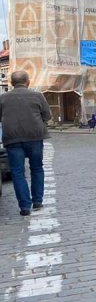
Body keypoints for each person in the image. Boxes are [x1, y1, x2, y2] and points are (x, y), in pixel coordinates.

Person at [0, 70, 51, 216]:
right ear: (28, 82)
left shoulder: (3, 98)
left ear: (11, 83)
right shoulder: (37, 96)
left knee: (17, 172)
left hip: (12, 139)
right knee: (37, 168)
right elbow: (47, 116)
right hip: (35, 137)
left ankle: (24, 207)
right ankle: (37, 201)